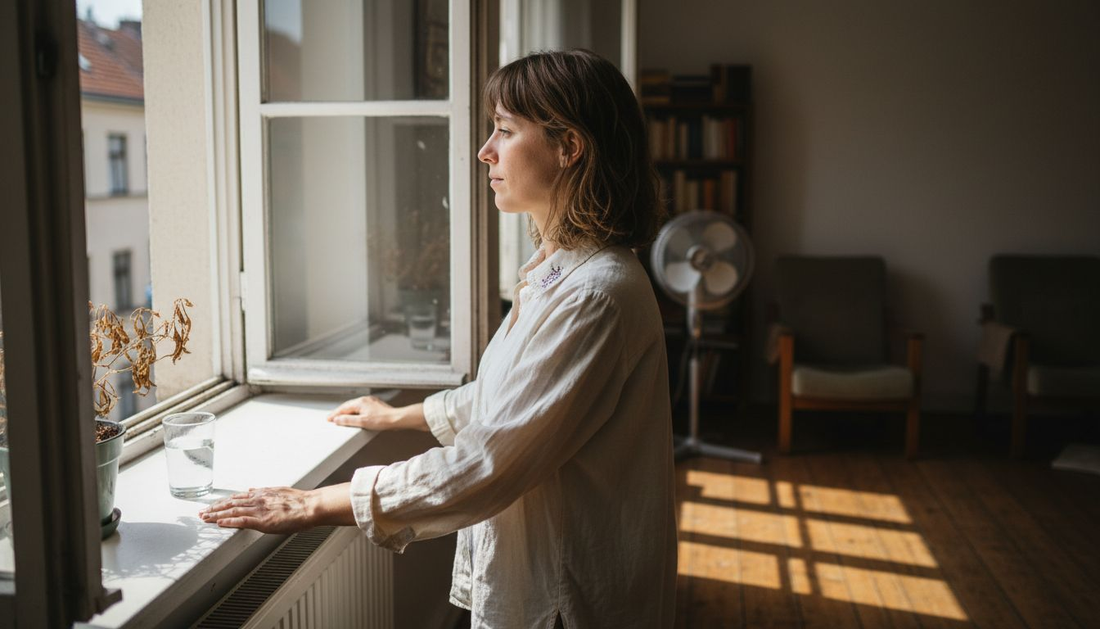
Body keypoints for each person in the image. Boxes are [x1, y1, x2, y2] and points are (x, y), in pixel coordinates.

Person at [201, 49, 677, 628]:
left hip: (567, 595)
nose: (485, 151)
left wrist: (315, 503)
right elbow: (510, 400)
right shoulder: (563, 270)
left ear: (568, 147)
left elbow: (490, 461)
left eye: (504, 130)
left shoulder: (593, 296)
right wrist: (397, 417)